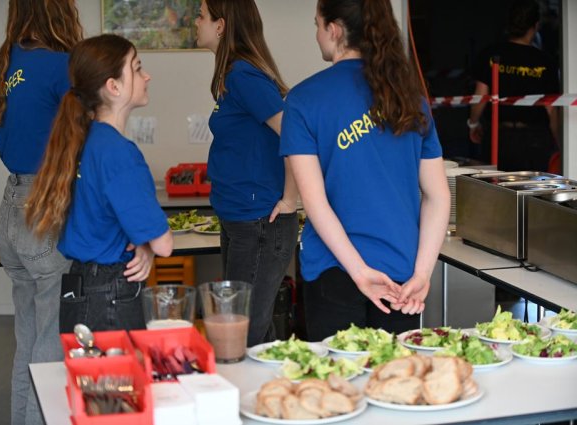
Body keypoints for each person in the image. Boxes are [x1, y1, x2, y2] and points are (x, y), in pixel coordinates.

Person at [0, 2, 144, 424]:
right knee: (52, 347)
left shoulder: (5, 64)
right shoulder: (60, 65)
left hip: (11, 211)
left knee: (28, 343)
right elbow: (92, 141)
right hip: (45, 210)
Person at [280, 0, 450, 341]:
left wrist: (359, 272)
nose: (316, 35)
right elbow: (438, 196)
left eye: (317, 25)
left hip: (333, 270)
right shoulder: (410, 99)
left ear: (334, 30)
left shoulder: (303, 100)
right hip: (401, 276)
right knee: (392, 373)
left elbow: (314, 203)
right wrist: (422, 273)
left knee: (337, 374)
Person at [25, 34, 173, 333]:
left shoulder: (84, 139)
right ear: (113, 86)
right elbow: (164, 243)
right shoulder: (119, 153)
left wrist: (144, 244)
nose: (146, 76)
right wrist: (148, 245)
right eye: (137, 68)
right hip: (109, 296)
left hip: (80, 289)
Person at [195, 0, 299, 347]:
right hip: (239, 220)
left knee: (242, 336)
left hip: (259, 222)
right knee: (250, 333)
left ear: (221, 25)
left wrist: (290, 200)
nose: (196, 22)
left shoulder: (243, 75)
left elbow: (294, 135)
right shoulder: (231, 76)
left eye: (201, 15)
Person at [467, 0, 560, 172]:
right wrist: (559, 142)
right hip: (535, 139)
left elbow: (480, 95)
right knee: (532, 188)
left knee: (495, 186)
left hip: (499, 136)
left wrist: (473, 124)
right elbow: (551, 109)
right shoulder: (545, 61)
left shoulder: (490, 54)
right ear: (535, 26)